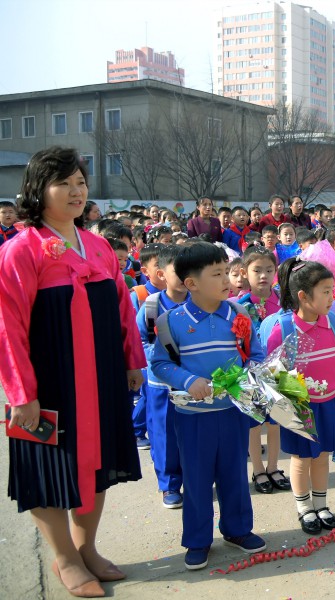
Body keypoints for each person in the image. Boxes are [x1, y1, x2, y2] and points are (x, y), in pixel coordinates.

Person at [0, 147, 145, 597]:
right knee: (49, 466)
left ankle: (88, 548)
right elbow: (7, 326)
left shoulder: (100, 246)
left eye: (80, 182)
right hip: (51, 382)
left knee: (99, 460)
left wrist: (131, 360)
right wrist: (22, 392)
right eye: (64, 183)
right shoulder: (20, 250)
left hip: (100, 376)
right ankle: (64, 556)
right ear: (38, 191)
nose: (76, 191)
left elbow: (123, 307)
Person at [150, 243, 267, 570]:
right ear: (192, 283)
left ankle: (238, 529)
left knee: (234, 474)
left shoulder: (239, 314)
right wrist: (188, 381)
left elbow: (254, 354)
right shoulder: (170, 322)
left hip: (232, 413)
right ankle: (198, 540)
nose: (226, 278)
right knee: (197, 480)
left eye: (226, 271)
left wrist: (246, 375)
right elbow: (159, 364)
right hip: (192, 418)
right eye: (216, 273)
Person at [267, 258, 335, 534]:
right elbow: (271, 374)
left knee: (323, 455)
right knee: (301, 459)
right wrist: (286, 406)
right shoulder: (284, 330)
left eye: (332, 290)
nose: (332, 297)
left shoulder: (333, 324)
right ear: (303, 297)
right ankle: (304, 508)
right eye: (325, 291)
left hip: (329, 403)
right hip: (299, 408)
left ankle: (321, 504)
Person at [135, 244, 187, 509]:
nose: (185, 276)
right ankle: (169, 485)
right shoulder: (152, 306)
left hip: (193, 383)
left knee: (192, 435)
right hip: (161, 384)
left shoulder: (201, 302)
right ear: (161, 274)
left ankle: (193, 479)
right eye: (177, 271)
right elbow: (141, 341)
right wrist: (163, 359)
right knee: (164, 435)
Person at [236, 248, 288, 494]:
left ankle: (274, 466)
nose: (263, 276)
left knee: (277, 421)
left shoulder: (283, 300)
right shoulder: (238, 306)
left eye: (269, 270)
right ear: (244, 273)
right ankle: (257, 469)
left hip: (278, 370)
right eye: (256, 270)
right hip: (250, 372)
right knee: (254, 425)